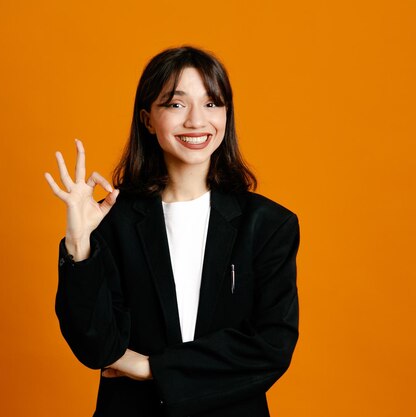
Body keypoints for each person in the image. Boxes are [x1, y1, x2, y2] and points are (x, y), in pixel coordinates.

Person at [44, 46, 300, 417]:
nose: (197, 120)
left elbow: (271, 346)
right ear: (148, 119)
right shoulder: (112, 219)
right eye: (176, 105)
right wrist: (79, 243)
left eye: (212, 104)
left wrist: (151, 367)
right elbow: (96, 346)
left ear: (227, 115)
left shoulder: (268, 225)